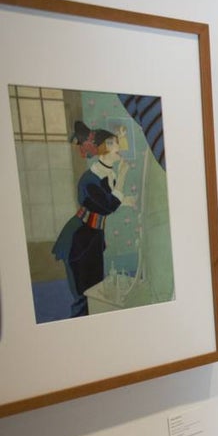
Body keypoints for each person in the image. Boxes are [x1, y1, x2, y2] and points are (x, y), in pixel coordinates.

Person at [51, 121, 137, 317]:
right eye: (113, 143)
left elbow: (108, 201)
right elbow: (108, 205)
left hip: (93, 237)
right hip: (78, 240)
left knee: (96, 291)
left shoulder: (108, 173)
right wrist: (123, 177)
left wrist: (128, 201)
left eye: (117, 142)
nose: (119, 147)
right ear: (103, 149)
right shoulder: (89, 179)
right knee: (83, 296)